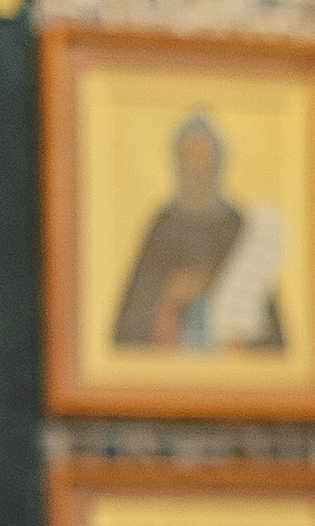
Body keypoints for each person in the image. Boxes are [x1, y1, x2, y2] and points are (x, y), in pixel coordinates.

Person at [112, 113, 285, 352]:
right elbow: (127, 328)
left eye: (203, 158)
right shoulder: (163, 225)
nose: (195, 168)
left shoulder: (236, 226)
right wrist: (168, 295)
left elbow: (271, 335)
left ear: (217, 162)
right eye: (188, 158)